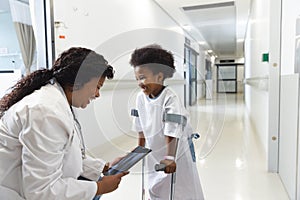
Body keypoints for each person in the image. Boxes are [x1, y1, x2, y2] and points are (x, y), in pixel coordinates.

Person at [0, 47, 128, 200]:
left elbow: (64, 154)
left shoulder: (56, 101)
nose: (97, 95)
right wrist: (99, 188)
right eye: (97, 87)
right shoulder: (46, 111)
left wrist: (105, 167)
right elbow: (41, 192)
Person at [130, 44, 204, 200]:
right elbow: (140, 126)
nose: (139, 82)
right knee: (155, 187)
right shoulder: (140, 98)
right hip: (154, 151)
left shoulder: (170, 97)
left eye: (143, 77)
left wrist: (171, 158)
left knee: (179, 188)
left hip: (174, 151)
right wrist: (139, 149)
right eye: (137, 78)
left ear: (159, 76)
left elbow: (173, 128)